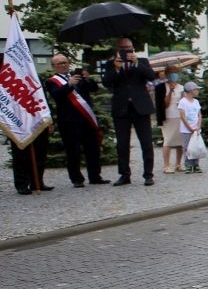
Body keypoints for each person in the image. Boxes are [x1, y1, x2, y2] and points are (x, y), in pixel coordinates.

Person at [102, 37, 157, 186]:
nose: (127, 51)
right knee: (122, 144)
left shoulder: (142, 61)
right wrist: (117, 68)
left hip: (141, 107)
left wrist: (136, 63)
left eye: (129, 48)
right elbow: (106, 82)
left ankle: (148, 174)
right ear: (118, 49)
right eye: (123, 48)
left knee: (146, 142)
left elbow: (151, 76)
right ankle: (124, 174)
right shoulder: (111, 64)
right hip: (121, 108)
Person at [45, 54, 107, 187]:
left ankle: (95, 176)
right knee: (73, 151)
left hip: (86, 119)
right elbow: (57, 95)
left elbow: (93, 89)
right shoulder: (52, 81)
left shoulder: (77, 77)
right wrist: (69, 84)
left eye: (65, 62)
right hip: (69, 121)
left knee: (93, 148)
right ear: (54, 66)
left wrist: (88, 79)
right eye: (60, 63)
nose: (63, 65)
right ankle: (77, 179)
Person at [155, 69, 185, 173]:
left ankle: (178, 163)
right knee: (168, 140)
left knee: (179, 141)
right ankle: (166, 165)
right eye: (172, 73)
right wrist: (171, 91)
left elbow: (184, 102)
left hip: (179, 116)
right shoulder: (161, 87)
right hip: (168, 116)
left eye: (176, 73)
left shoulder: (181, 87)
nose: (174, 75)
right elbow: (164, 104)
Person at [8, 128, 52, 195]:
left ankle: (37, 182)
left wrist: (49, 123)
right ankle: (21, 184)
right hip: (18, 125)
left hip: (38, 122)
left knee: (40, 152)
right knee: (20, 154)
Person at [177, 81, 202, 173]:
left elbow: (199, 115)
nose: (198, 91)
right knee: (187, 147)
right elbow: (183, 116)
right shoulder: (182, 102)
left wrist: (198, 126)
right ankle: (188, 164)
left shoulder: (196, 102)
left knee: (196, 147)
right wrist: (190, 128)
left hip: (196, 128)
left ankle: (196, 164)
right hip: (186, 129)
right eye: (196, 89)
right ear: (190, 90)